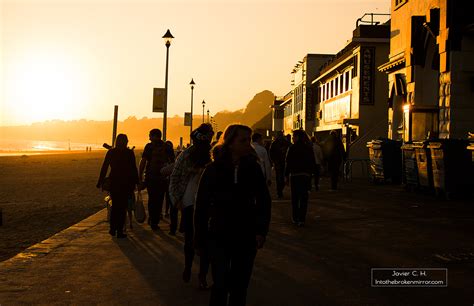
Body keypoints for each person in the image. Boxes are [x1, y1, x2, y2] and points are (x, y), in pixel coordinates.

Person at [195, 124, 271, 306]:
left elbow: (263, 201)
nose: (247, 144)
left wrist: (261, 230)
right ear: (230, 143)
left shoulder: (253, 169)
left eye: (248, 140)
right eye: (243, 140)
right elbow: (202, 206)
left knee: (240, 287)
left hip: (246, 235)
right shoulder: (212, 170)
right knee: (220, 284)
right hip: (218, 234)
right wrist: (199, 239)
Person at [169, 123, 214, 289]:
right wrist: (176, 200)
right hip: (189, 201)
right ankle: (190, 268)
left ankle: (200, 274)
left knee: (204, 241)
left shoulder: (212, 155)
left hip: (205, 203)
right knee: (192, 240)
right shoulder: (187, 155)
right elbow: (174, 178)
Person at [97, 134, 138, 238]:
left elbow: (104, 167)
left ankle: (112, 228)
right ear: (125, 142)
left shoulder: (111, 152)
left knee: (115, 206)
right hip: (126, 183)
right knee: (122, 207)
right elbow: (133, 169)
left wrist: (100, 181)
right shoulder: (129, 153)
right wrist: (136, 182)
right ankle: (119, 230)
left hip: (114, 182)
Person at [138, 129, 175, 230]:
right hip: (163, 178)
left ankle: (152, 218)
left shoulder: (149, 146)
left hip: (151, 177)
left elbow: (143, 162)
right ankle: (155, 220)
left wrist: (140, 175)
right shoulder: (167, 147)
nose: (149, 138)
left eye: (150, 135)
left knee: (152, 199)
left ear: (154, 136)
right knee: (159, 199)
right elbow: (173, 163)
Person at [285, 129, 316, 227]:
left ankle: (295, 217)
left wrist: (286, 175)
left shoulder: (292, 148)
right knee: (304, 198)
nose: (293, 138)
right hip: (306, 176)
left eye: (293, 136)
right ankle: (302, 219)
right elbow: (312, 163)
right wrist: (312, 175)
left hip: (295, 176)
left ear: (297, 137)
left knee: (295, 198)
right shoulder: (309, 148)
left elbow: (288, 162)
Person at [269, 131, 290, 198]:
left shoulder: (276, 143)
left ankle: (280, 191)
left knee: (281, 177)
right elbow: (271, 153)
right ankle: (280, 191)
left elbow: (271, 153)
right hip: (280, 162)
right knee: (281, 177)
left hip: (282, 162)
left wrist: (273, 161)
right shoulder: (277, 143)